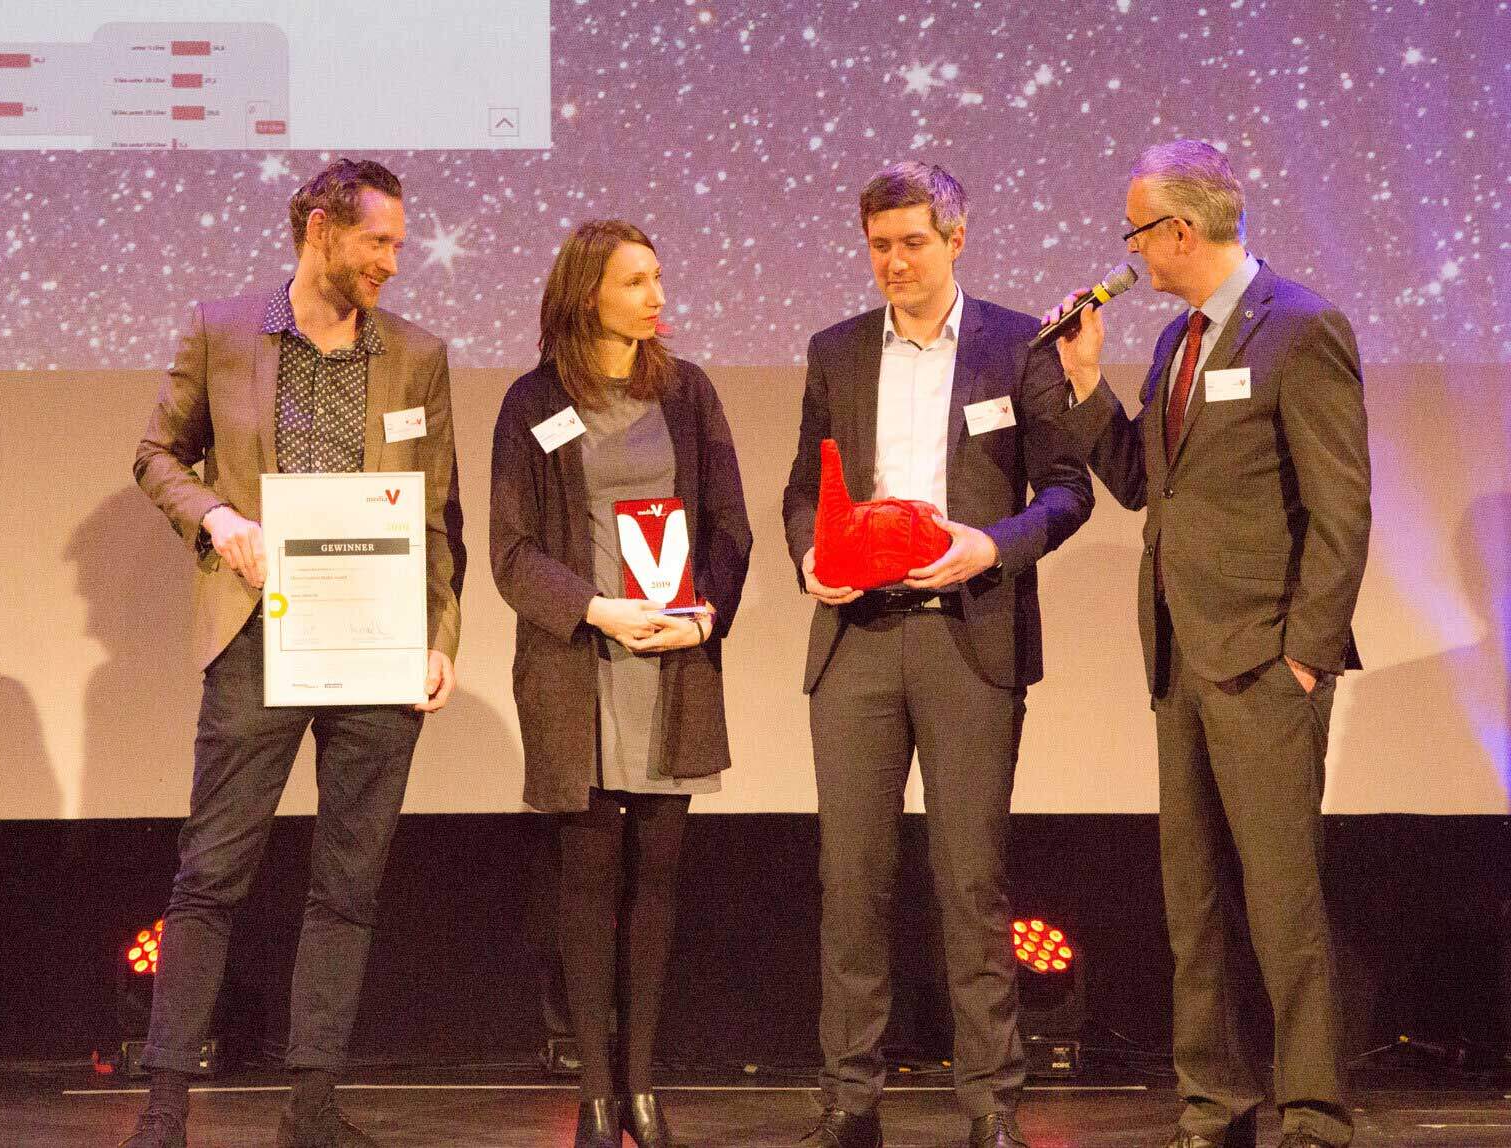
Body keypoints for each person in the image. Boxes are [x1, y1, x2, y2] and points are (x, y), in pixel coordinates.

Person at [123, 158, 464, 1148]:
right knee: (211, 873)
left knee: (348, 880)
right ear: (320, 228)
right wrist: (217, 514)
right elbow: (156, 455)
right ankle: (163, 1107)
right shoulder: (224, 328)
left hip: (377, 639)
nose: (392, 263)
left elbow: (438, 511)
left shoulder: (418, 355)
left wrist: (438, 636)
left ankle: (311, 1107)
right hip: (256, 632)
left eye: (399, 244)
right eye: (378, 242)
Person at [1045, 139, 1371, 1148]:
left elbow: (1341, 508)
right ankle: (1212, 1102)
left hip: (1266, 660)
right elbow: (1147, 483)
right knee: (1191, 903)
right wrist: (1088, 384)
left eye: (1136, 230)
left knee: (1280, 898)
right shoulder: (1176, 344)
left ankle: (1312, 1109)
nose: (1130, 251)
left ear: (1179, 231)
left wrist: (1305, 654)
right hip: (1182, 658)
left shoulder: (1300, 326)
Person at [780, 162, 1093, 1148]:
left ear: (956, 239)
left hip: (969, 633)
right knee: (852, 876)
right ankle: (849, 1097)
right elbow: (804, 484)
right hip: (858, 637)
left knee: (970, 877)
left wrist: (990, 543)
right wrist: (806, 554)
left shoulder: (1015, 345)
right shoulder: (835, 349)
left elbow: (1065, 488)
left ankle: (991, 1103)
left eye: (912, 242)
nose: (893, 262)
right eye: (878, 245)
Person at [490, 220, 753, 1148]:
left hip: (672, 663)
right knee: (589, 878)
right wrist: (599, 611)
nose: (656, 295)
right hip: (579, 665)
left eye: (658, 276)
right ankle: (596, 1094)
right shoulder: (532, 402)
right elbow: (512, 554)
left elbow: (729, 527)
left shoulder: (688, 392)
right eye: (636, 281)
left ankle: (643, 1082)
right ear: (586, 293)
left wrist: (704, 613)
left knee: (660, 879)